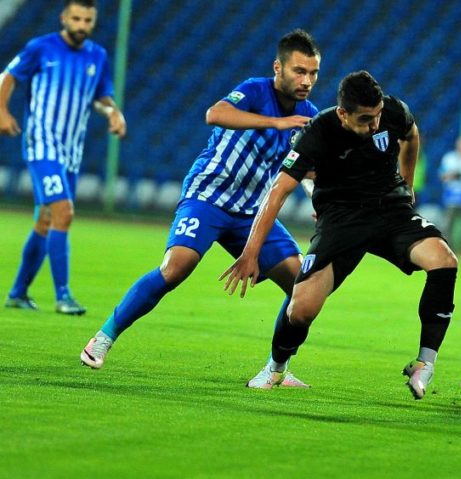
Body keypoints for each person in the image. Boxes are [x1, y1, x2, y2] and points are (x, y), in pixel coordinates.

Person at [79, 30, 321, 391]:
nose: (307, 81)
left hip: (252, 212)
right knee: (176, 267)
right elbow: (215, 113)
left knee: (303, 285)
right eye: (299, 71)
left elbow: (308, 170)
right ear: (278, 68)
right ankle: (103, 338)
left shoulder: (311, 117)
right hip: (208, 196)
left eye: (313, 73)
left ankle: (276, 368)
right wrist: (276, 123)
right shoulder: (256, 91)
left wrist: (315, 194)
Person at [221, 71, 458, 400]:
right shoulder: (317, 132)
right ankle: (275, 369)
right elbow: (277, 193)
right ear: (343, 113)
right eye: (365, 119)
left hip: (390, 211)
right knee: (301, 309)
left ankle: (424, 363)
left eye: (377, 116)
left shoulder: (392, 111)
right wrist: (250, 253)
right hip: (341, 220)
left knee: (444, 261)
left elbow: (411, 134)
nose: (375, 125)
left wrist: (407, 182)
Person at [1, 0, 126, 315]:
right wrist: (1, 110)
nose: (82, 25)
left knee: (46, 220)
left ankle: (18, 292)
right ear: (64, 18)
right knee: (64, 212)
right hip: (42, 145)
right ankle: (63, 296)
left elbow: (101, 97)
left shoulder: (97, 55)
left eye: (87, 19)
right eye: (76, 18)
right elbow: (9, 76)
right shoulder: (41, 47)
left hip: (71, 151)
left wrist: (113, 112)